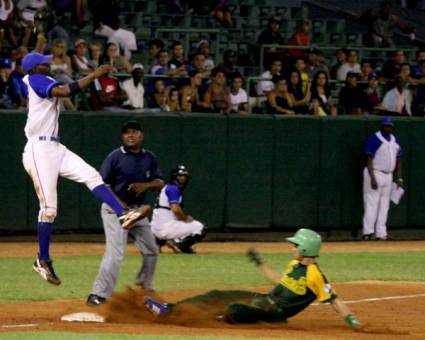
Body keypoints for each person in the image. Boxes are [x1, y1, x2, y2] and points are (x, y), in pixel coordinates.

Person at [21, 51, 151, 286]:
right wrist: (94, 75)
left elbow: (64, 88)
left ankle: (123, 213)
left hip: (53, 146)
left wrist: (40, 40)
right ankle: (42, 260)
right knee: (49, 208)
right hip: (38, 150)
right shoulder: (35, 79)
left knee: (91, 175)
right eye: (45, 63)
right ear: (36, 67)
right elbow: (66, 91)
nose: (49, 64)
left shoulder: (42, 78)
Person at [143, 228, 362, 330]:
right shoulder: (294, 264)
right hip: (264, 300)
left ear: (306, 247)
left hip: (275, 313)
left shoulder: (315, 275)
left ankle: (201, 320)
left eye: (295, 244)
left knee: (234, 309)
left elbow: (334, 300)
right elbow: (278, 280)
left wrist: (352, 321)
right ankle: (167, 309)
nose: (291, 246)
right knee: (216, 295)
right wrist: (260, 262)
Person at [87, 121, 164, 305]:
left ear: (141, 135)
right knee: (115, 253)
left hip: (136, 210)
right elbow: (102, 186)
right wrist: (121, 207)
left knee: (152, 250)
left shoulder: (149, 157)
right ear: (123, 137)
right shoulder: (115, 157)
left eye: (134, 132)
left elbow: (160, 182)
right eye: (126, 133)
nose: (130, 135)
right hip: (114, 210)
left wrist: (145, 185)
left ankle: (144, 287)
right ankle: (98, 294)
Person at [362, 117, 403, 241]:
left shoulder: (395, 140)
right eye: (386, 125)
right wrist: (372, 177)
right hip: (375, 172)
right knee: (371, 203)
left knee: (384, 205)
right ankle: (368, 232)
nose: (388, 128)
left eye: (390, 126)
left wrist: (399, 178)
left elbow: (398, 160)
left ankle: (381, 233)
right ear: (382, 126)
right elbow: (369, 159)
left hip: (388, 175)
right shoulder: (375, 139)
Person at [151, 165, 206, 254]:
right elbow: (176, 209)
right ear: (174, 176)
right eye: (180, 176)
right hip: (165, 229)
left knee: (174, 222)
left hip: (154, 229)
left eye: (185, 176)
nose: (183, 178)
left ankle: (158, 242)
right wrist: (185, 218)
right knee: (200, 227)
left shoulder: (167, 187)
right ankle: (178, 244)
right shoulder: (173, 188)